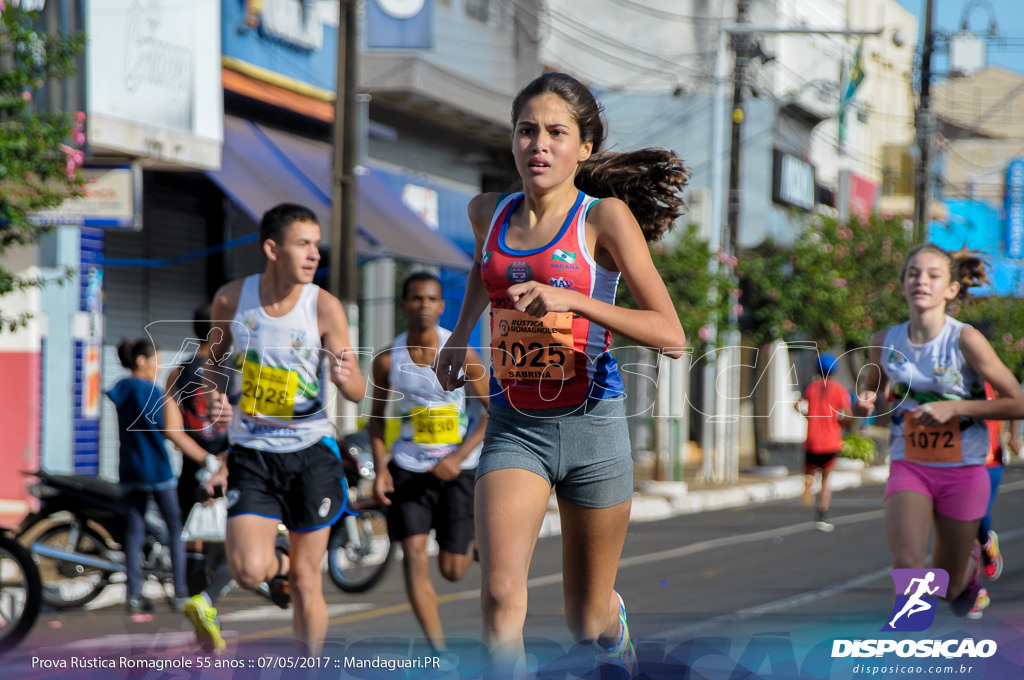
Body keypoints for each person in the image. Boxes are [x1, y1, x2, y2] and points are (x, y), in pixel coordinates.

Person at [434, 72, 688, 679]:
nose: (538, 145)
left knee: (585, 618)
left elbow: (671, 334)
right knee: (499, 596)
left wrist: (574, 301)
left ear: (585, 147)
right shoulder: (485, 212)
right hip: (515, 426)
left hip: (592, 426)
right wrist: (459, 333)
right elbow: (485, 269)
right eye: (527, 131)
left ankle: (613, 626)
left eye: (555, 132)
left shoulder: (605, 218)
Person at [209, 203, 366, 655]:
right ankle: (277, 562)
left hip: (311, 451)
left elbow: (356, 389)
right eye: (303, 244)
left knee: (305, 578)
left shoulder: (324, 306)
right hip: (251, 452)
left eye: (317, 245)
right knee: (247, 571)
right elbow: (215, 361)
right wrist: (217, 393)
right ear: (272, 249)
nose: (314, 254)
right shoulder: (232, 299)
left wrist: (345, 376)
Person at [854, 244, 1024, 621]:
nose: (921, 281)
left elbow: (1017, 402)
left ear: (950, 289)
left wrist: (956, 407)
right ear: (902, 284)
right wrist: (863, 403)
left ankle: (970, 565)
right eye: (913, 273)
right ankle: (911, 631)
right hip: (910, 465)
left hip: (964, 471)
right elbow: (871, 394)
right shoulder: (885, 341)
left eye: (933, 275)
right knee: (908, 560)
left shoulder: (965, 340)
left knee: (948, 585)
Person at [369, 271, 489, 652]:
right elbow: (375, 421)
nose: (424, 306)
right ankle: (440, 652)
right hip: (408, 468)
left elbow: (494, 412)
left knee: (452, 570)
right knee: (414, 556)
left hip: (457, 471)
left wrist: (458, 457)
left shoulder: (462, 352)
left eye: (432, 299)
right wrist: (380, 468)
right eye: (416, 299)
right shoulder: (388, 360)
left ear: (441, 305)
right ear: (403, 305)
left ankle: (470, 546)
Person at [107, 338, 221, 613]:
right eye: (156, 360)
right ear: (141, 361)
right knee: (175, 528)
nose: (159, 366)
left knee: (134, 531)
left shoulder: (121, 388)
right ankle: (180, 591)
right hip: (157, 469)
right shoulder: (151, 391)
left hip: (129, 469)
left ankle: (134, 594)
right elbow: (169, 427)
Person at [164, 304, 235, 653]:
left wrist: (202, 459)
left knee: (193, 540)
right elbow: (247, 427)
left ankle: (200, 622)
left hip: (192, 471)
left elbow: (171, 430)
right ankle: (209, 606)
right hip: (228, 469)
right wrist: (221, 461)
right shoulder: (234, 373)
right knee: (231, 543)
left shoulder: (178, 373)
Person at [794, 352, 851, 532]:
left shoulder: (810, 388)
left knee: (810, 472)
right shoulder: (839, 390)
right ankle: (822, 513)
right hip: (831, 441)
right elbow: (847, 413)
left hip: (812, 439)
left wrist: (808, 416)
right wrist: (841, 423)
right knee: (827, 479)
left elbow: (797, 405)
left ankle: (809, 486)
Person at [978, 382, 1005, 582]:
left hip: (985, 462)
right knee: (909, 552)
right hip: (921, 466)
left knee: (974, 519)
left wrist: (1004, 438)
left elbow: (1013, 401)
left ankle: (972, 591)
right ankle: (969, 591)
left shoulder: (990, 377)